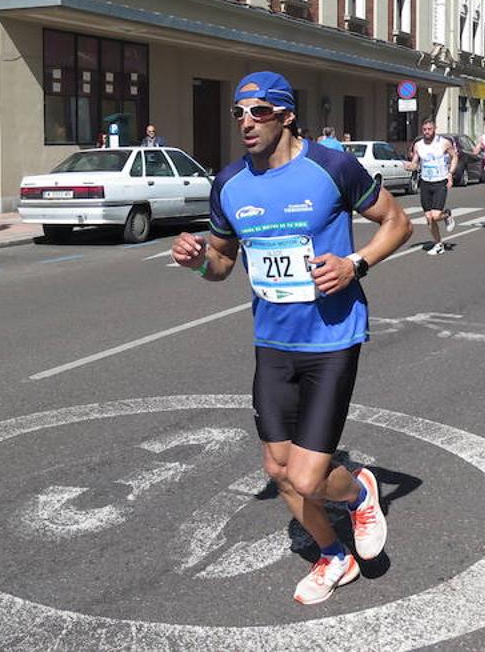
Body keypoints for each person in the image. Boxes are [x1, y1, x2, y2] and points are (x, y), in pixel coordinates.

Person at [170, 71, 412, 605]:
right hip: (272, 341)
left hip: (331, 338)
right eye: (238, 112)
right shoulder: (230, 183)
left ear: (285, 114)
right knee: (277, 470)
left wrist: (355, 264)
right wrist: (196, 263)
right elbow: (221, 265)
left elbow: (397, 222)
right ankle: (334, 556)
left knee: (308, 477)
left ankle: (359, 492)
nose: (245, 122)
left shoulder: (331, 166)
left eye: (257, 111)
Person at [405, 118, 457, 254]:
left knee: (435, 216)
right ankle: (438, 244)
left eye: (429, 129)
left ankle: (446, 215)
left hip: (440, 182)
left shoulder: (444, 143)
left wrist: (450, 173)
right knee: (429, 218)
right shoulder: (418, 145)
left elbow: (455, 156)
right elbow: (415, 163)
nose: (427, 132)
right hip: (425, 183)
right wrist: (410, 166)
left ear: (435, 129)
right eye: (424, 130)